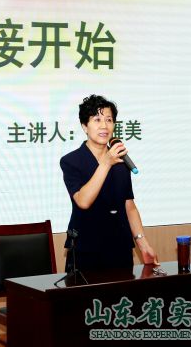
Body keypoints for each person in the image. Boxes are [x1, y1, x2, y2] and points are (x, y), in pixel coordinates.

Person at [61, 94, 159, 272]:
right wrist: (106, 163)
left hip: (120, 247)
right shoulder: (72, 161)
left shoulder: (121, 161)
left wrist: (143, 244)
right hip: (86, 249)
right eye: (97, 120)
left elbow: (129, 206)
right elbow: (83, 201)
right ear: (84, 126)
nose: (104, 126)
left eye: (109, 120)